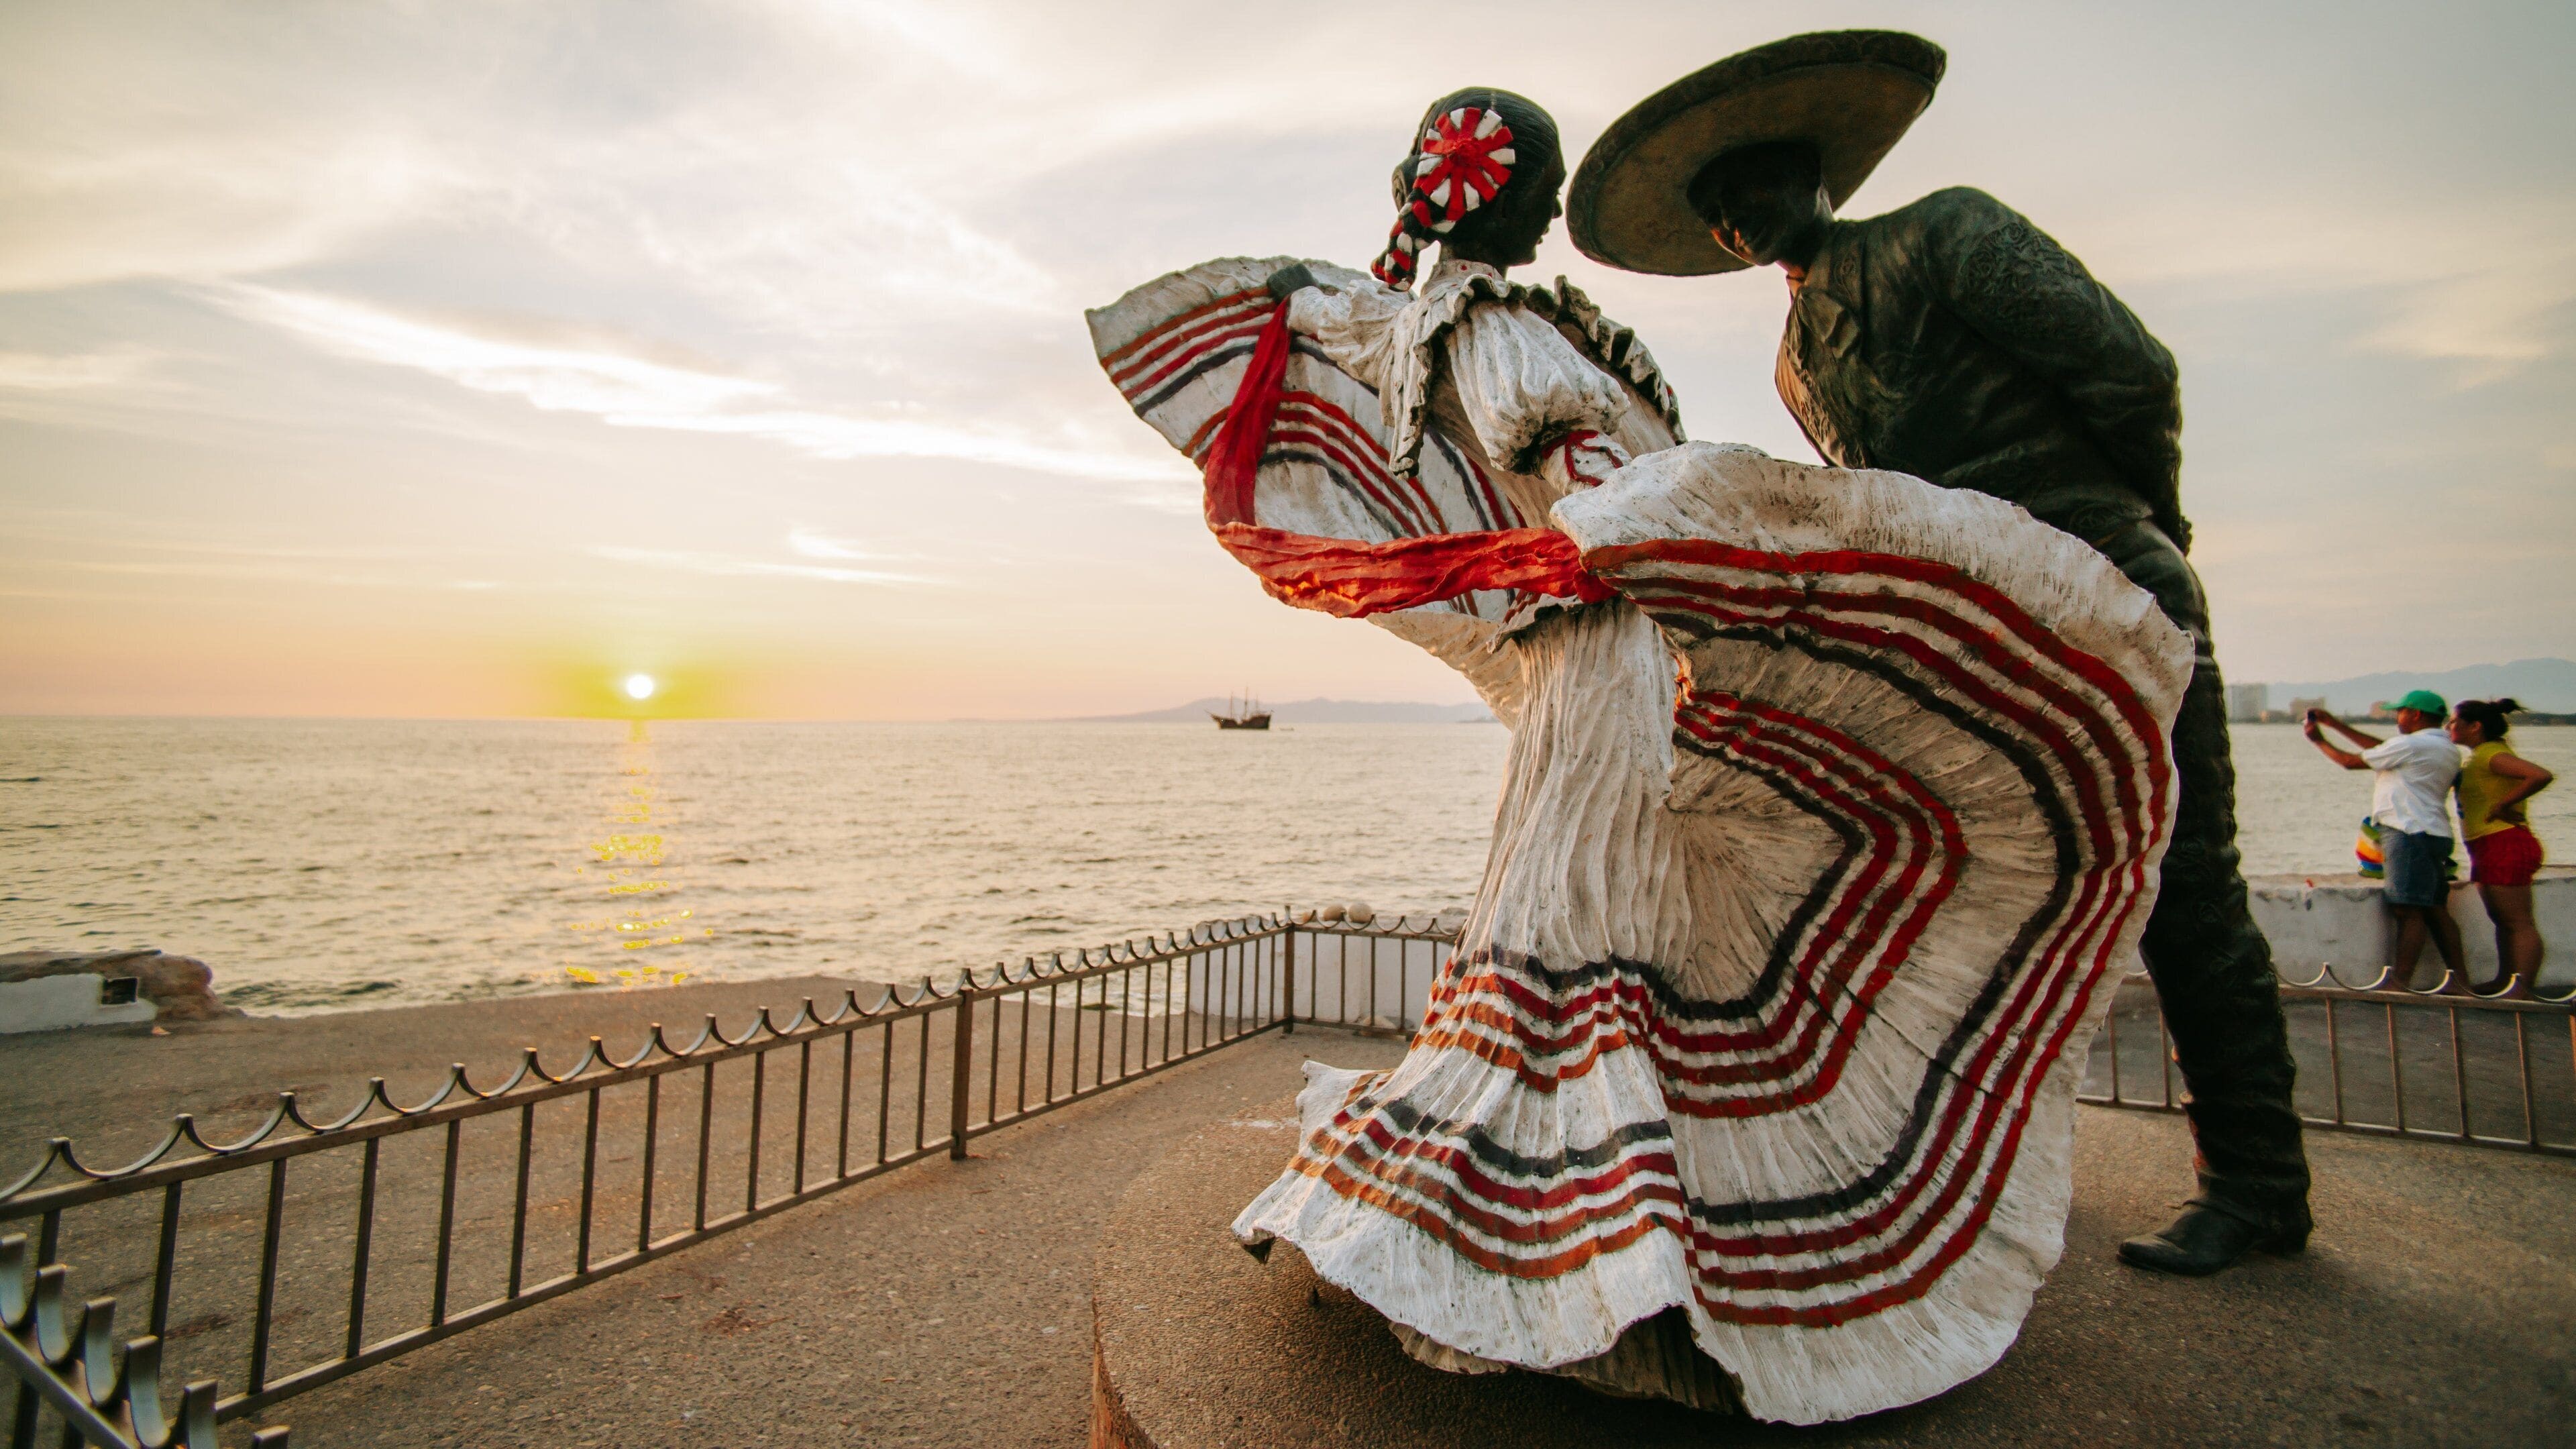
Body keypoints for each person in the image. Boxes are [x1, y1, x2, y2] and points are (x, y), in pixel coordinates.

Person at [1091, 82, 2196, 1423]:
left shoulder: (1457, 325)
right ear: (1505, 192)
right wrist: (1703, 515)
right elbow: (1584, 479)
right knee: (1592, 930)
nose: (1556, 206)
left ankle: (1598, 1245)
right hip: (1606, 659)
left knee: (1612, 932)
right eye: (1544, 183)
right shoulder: (1497, 327)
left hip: (1599, 658)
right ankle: (1573, 1261)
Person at [1564, 30, 2308, 1277]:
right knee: (1960, 889)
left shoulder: (1945, 234)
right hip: (1972, 636)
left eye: (1750, 189)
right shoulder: (1798, 363)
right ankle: (1966, 1165)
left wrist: (2132, 533)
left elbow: (2133, 375)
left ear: (1814, 178)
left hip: (2104, 582)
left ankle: (2259, 1181)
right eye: (1715, 213)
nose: (1737, 221)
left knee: (2189, 888)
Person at [2303, 692, 2469, 989]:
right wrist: (2337, 726)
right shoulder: (2444, 747)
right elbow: (2383, 749)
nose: (2397, 717)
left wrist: (2318, 741)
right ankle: (2462, 982)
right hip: (2434, 832)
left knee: (2408, 909)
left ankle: (2400, 982)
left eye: (2401, 712)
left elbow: (2350, 762)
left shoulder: (2413, 745)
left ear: (2416, 714)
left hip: (2408, 832)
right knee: (2434, 908)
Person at [2450, 698, 2553, 993]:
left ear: (2475, 727)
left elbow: (2540, 775)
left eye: (2455, 721)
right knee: (2502, 919)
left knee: (2518, 922)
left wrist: (2503, 805)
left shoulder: (2490, 754)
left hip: (2505, 840)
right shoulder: (2478, 756)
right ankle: (2506, 980)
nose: (2450, 727)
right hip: (2486, 844)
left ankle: (2523, 989)